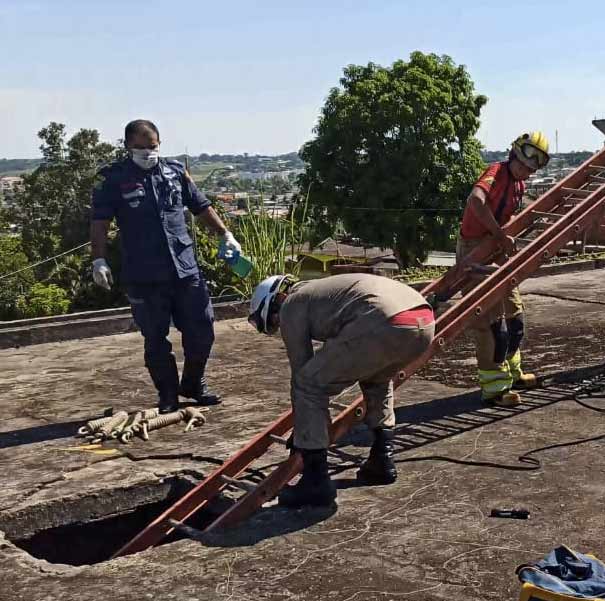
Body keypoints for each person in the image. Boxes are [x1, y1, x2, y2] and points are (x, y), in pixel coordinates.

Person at [91, 119, 241, 413]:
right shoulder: (112, 179)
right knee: (155, 338)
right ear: (128, 146)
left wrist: (225, 235)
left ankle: (193, 383)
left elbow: (201, 206)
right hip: (143, 273)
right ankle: (168, 394)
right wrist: (98, 259)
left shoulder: (175, 172)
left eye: (153, 146)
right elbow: (99, 222)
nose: (148, 152)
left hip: (185, 268)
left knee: (202, 328)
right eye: (140, 147)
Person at [248, 273, 435, 507]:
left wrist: (305, 432)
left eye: (273, 320)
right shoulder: (322, 291)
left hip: (383, 320)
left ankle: (316, 482)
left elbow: (301, 371)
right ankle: (382, 460)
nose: (279, 324)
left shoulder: (292, 303)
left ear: (276, 300)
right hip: (423, 321)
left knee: (308, 384)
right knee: (377, 378)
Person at [456, 132, 549, 407]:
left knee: (514, 319)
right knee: (491, 324)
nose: (525, 171)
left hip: (495, 251)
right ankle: (495, 388)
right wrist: (499, 234)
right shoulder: (496, 173)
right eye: (523, 165)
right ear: (514, 155)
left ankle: (513, 374)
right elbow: (475, 201)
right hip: (474, 250)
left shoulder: (519, 185)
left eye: (530, 169)